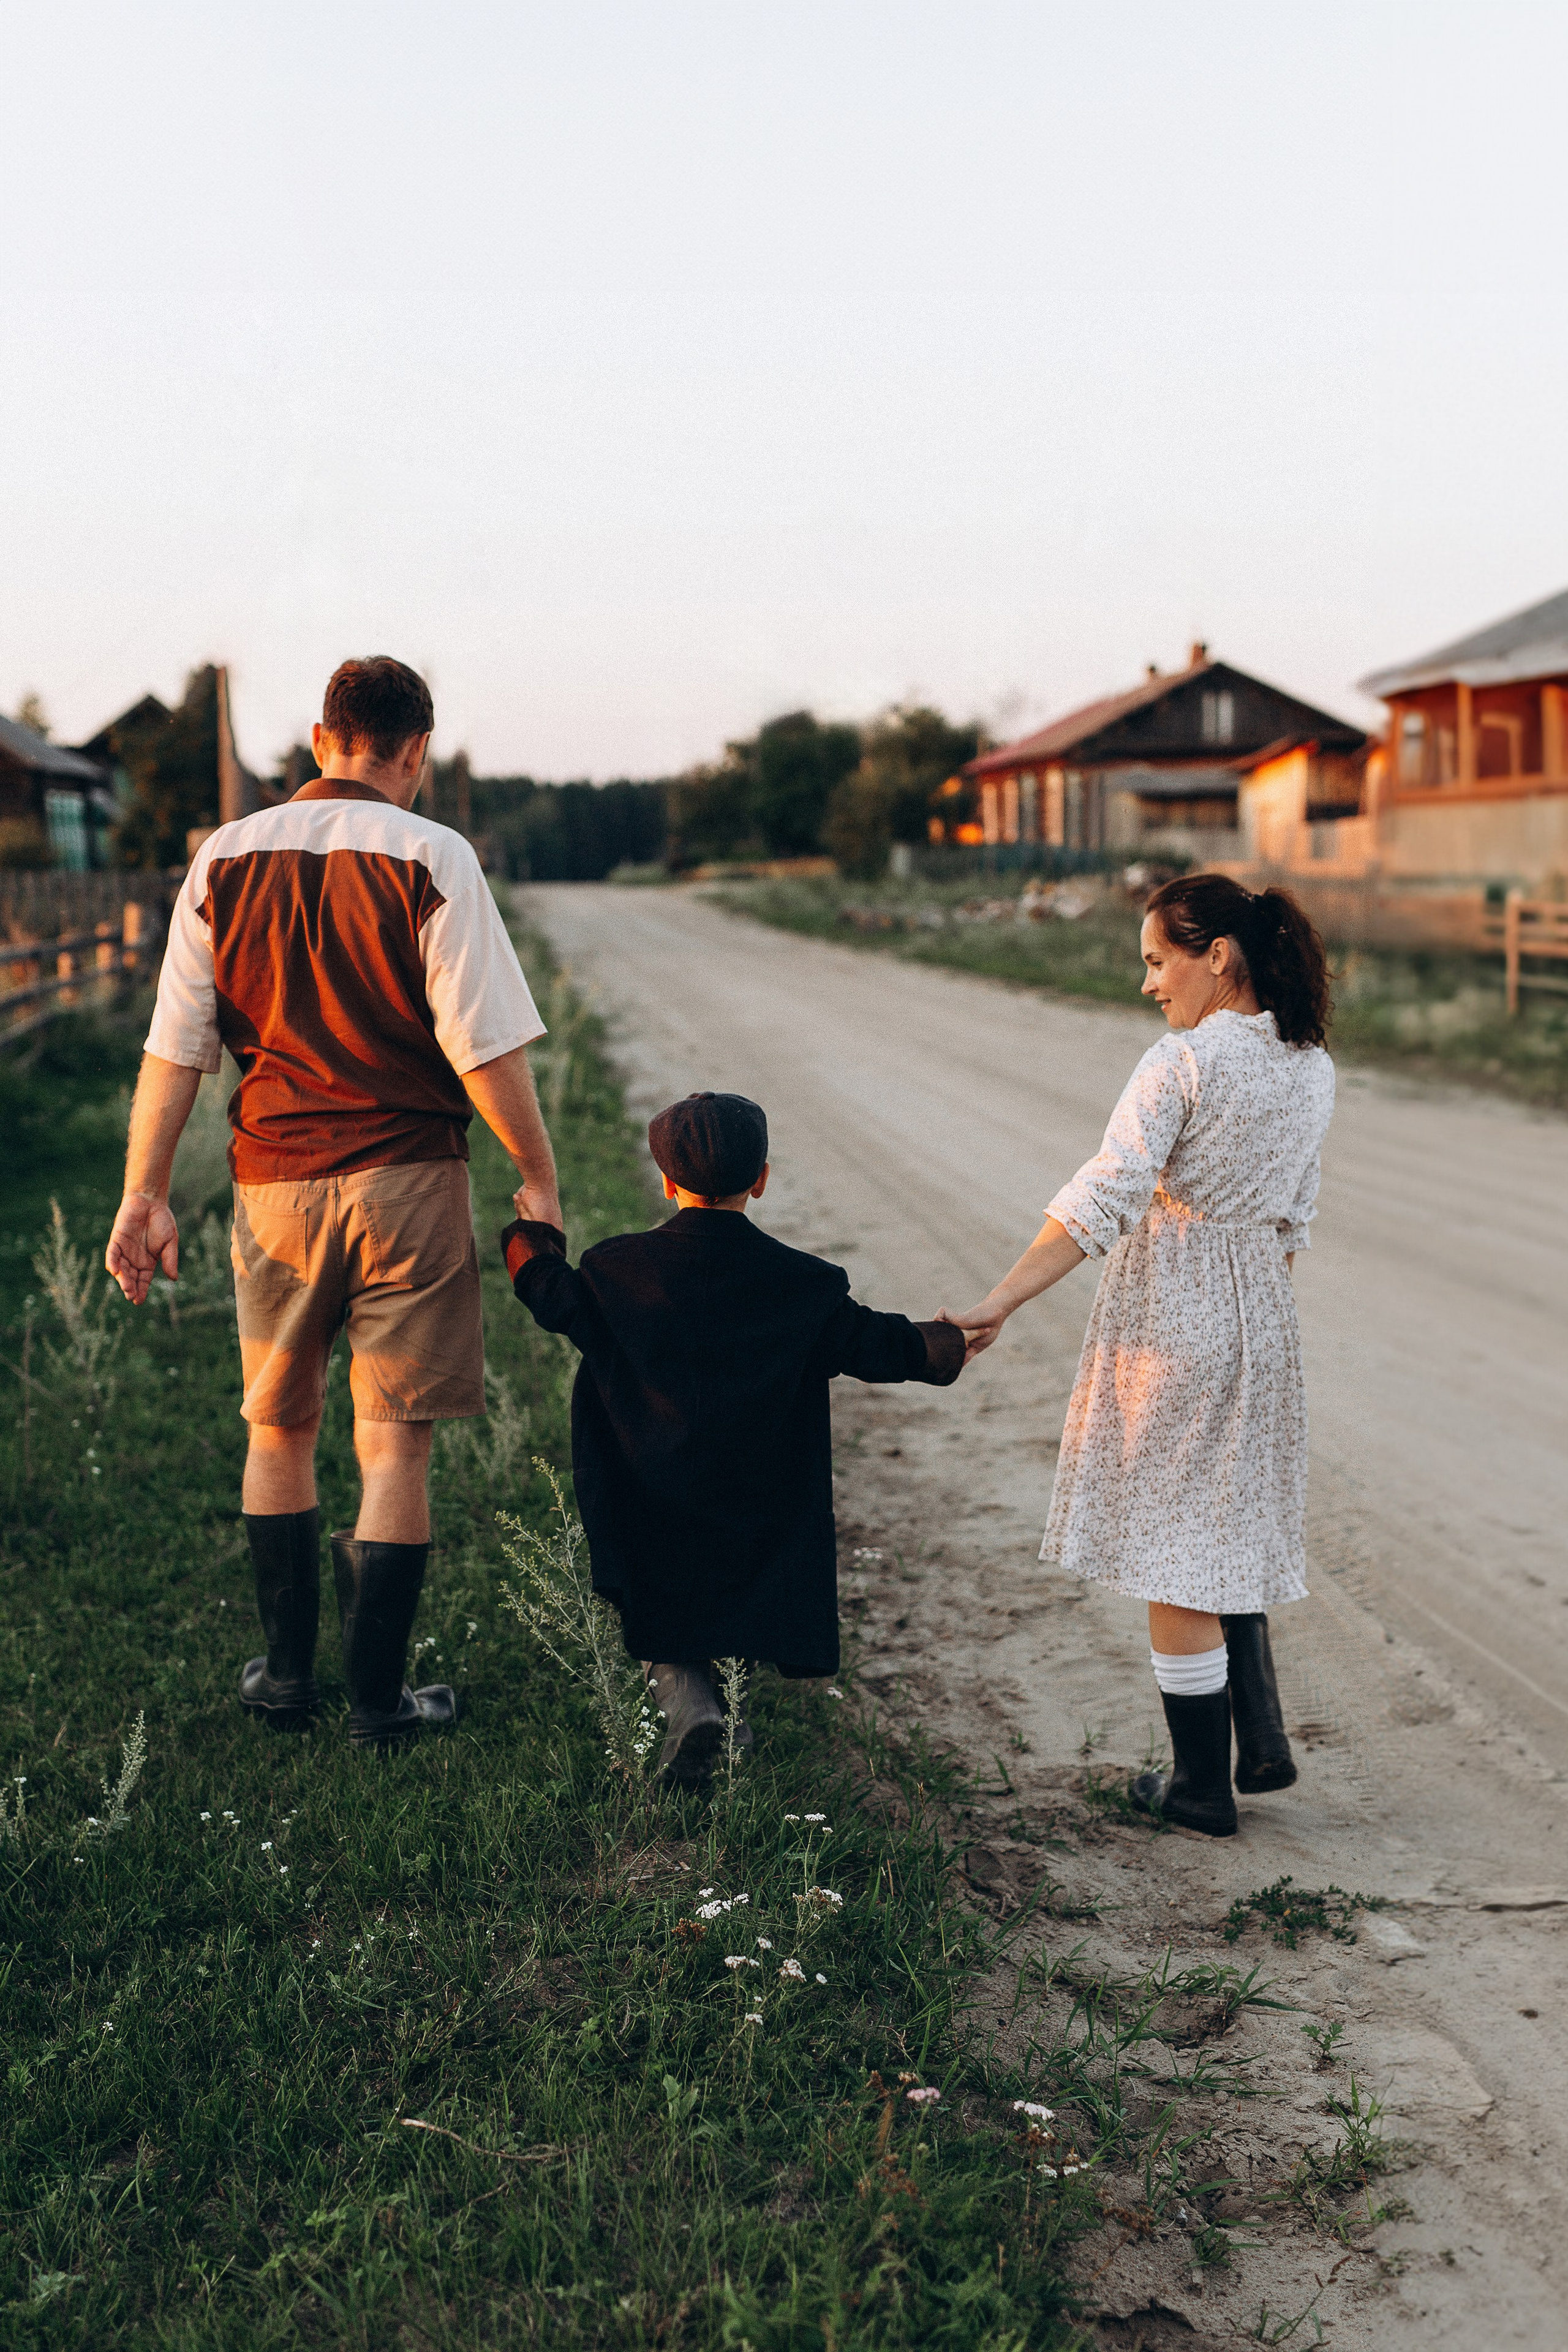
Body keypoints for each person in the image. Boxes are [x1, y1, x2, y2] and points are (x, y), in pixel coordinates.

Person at [105, 657, 561, 1748]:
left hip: (272, 1188)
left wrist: (144, 1194)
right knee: (395, 1442)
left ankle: (284, 1684)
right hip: (409, 1177)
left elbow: (177, 1051)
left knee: (279, 1423)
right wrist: (538, 1173)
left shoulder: (222, 858)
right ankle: (375, 1703)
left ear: (321, 742)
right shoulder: (433, 855)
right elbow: (484, 1046)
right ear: (416, 754)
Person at [941, 875, 1336, 1837]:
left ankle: (1202, 1787)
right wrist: (1251, 1303)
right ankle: (1262, 1735)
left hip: (1179, 1319)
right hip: (1264, 1320)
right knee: (1225, 1522)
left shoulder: (1184, 1064)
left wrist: (999, 1301)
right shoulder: (1310, 1063)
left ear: (1219, 957)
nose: (1148, 984)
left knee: (1176, 1555)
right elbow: (1294, 1216)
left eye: (1158, 961)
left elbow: (1103, 1198)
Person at [500, 1090, 967, 1784]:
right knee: (746, 1580)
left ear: (665, 1180)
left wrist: (532, 1237)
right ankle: (729, 1713)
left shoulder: (614, 1271)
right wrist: (951, 1342)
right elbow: (881, 1347)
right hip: (759, 1495)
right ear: (761, 1180)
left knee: (655, 1594)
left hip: (644, 1487)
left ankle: (692, 1707)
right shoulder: (806, 1284)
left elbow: (548, 1294)